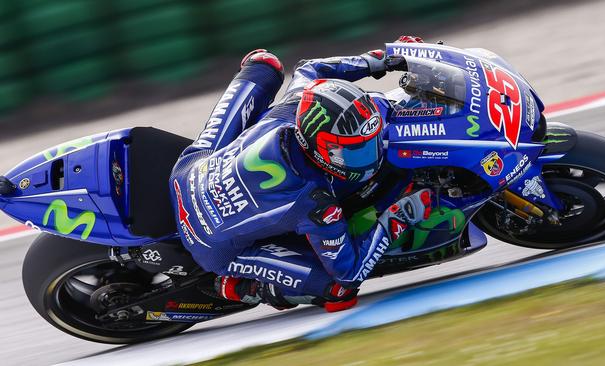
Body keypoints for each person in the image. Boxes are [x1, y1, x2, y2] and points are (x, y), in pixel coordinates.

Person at [169, 36, 432, 312]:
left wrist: (380, 60)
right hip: (211, 244)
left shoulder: (295, 106)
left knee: (264, 63)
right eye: (352, 152)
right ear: (318, 149)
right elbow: (350, 271)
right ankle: (242, 287)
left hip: (191, 168)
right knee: (340, 291)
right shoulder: (315, 200)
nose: (369, 158)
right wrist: (398, 218)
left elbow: (311, 68)